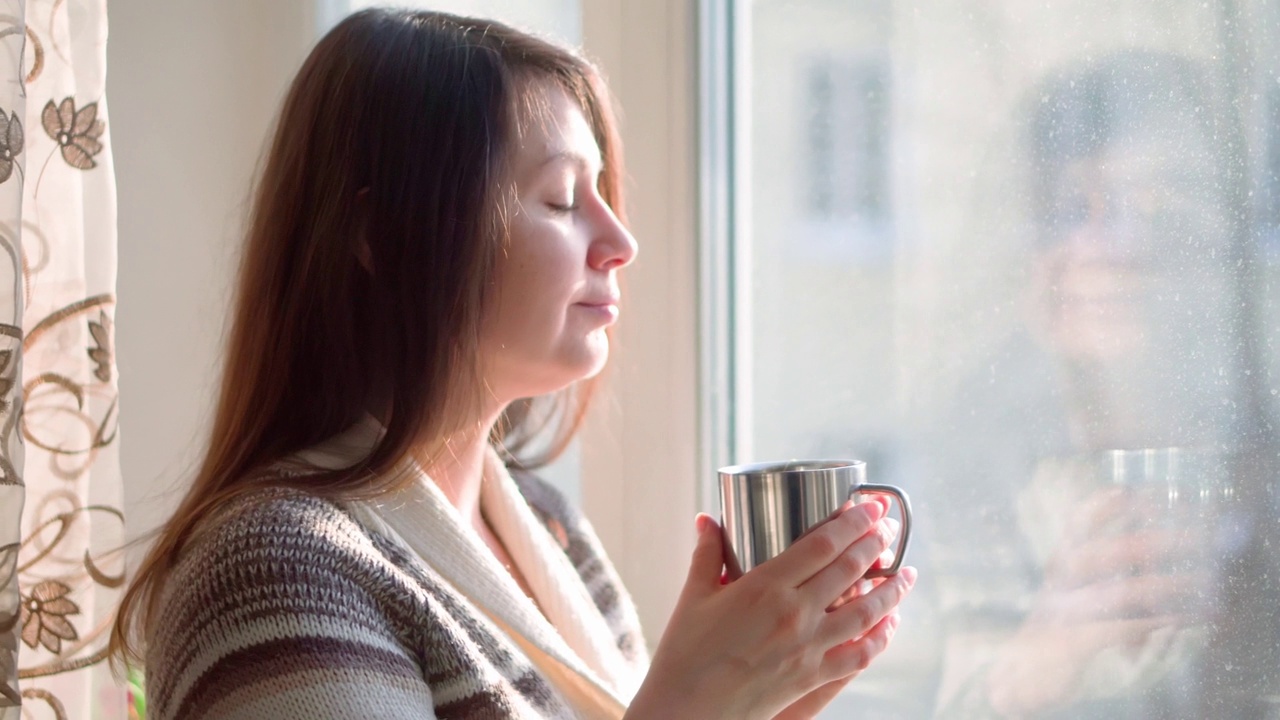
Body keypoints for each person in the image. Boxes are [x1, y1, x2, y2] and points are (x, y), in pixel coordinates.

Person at [108, 8, 916, 719]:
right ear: (383, 238)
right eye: (563, 200)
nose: (620, 242)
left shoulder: (547, 529)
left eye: (602, 194)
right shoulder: (271, 574)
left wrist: (760, 700)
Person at [921, 50, 1279, 718]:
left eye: (1159, 203)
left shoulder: (1259, 441)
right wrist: (1052, 647)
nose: (1117, 246)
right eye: (1072, 207)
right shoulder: (976, 467)